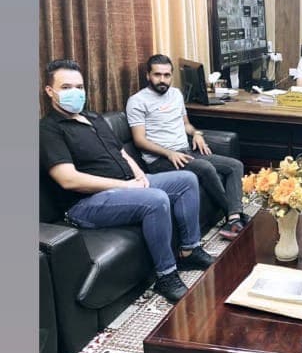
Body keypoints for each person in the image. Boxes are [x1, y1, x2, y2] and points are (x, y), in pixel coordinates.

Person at [40, 59, 215, 304]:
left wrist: (139, 175)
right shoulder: (48, 129)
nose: (75, 93)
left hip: (126, 186)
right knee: (156, 200)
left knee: (186, 179)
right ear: (50, 91)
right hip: (86, 203)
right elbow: (68, 180)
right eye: (66, 87)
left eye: (79, 87)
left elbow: (120, 151)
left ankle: (189, 250)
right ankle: (166, 275)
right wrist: (126, 185)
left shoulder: (93, 117)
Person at [126, 54, 248, 240]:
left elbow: (186, 124)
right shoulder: (137, 101)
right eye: (157, 75)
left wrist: (197, 134)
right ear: (148, 75)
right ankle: (234, 216)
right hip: (160, 160)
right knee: (205, 167)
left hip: (186, 152)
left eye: (167, 75)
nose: (162, 80)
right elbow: (139, 140)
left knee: (235, 165)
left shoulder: (176, 94)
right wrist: (169, 153)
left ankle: (234, 216)